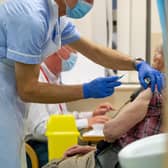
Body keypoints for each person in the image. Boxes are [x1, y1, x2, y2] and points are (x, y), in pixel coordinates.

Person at [0, 0, 164, 167]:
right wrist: (86, 90)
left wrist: (135, 63)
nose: (90, 3)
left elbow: (95, 51)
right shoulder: (32, 16)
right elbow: (28, 90)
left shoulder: (55, 18)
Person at [43, 47, 164, 168]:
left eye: (159, 52)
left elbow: (110, 132)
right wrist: (93, 146)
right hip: (118, 156)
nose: (155, 56)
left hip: (117, 160)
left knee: (53, 165)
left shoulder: (152, 92)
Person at [26, 45, 112, 167]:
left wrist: (91, 115)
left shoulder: (54, 78)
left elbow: (62, 118)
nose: (75, 56)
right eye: (73, 50)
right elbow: (40, 129)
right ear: (56, 50)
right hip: (39, 147)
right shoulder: (36, 78)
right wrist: (86, 122)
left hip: (56, 142)